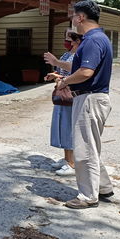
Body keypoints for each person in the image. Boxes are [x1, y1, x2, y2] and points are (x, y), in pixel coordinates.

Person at [56, 0, 114, 209]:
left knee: (84, 149)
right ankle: (104, 187)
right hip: (94, 97)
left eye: (73, 16)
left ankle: (88, 196)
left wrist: (64, 81)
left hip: (89, 98)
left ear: (80, 17)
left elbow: (85, 72)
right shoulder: (100, 38)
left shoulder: (91, 40)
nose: (72, 20)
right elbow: (80, 67)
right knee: (91, 147)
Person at [44, 30, 82, 176]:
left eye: (69, 39)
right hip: (61, 93)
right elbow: (64, 73)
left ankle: (71, 163)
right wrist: (55, 75)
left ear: (76, 40)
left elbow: (74, 74)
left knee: (68, 126)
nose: (67, 42)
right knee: (62, 125)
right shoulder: (66, 55)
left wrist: (60, 78)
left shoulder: (79, 56)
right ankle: (67, 158)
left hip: (70, 94)